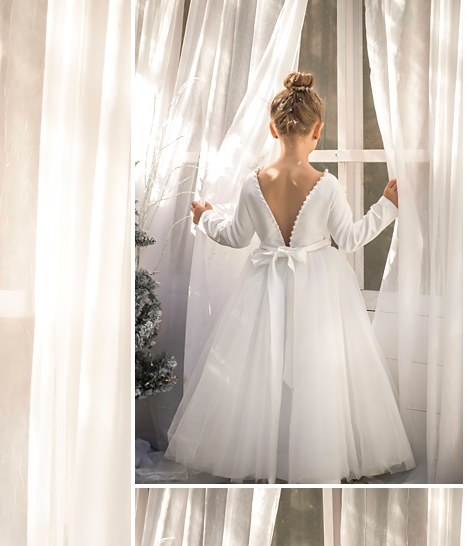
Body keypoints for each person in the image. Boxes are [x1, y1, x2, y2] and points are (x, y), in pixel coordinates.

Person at [165, 71, 416, 483]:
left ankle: (272, 456)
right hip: (318, 289)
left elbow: (233, 236)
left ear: (272, 129)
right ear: (318, 130)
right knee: (316, 367)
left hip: (263, 286)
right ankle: (311, 456)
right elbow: (350, 239)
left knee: (264, 366)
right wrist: (386, 207)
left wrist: (205, 217)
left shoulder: (253, 183)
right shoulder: (326, 185)